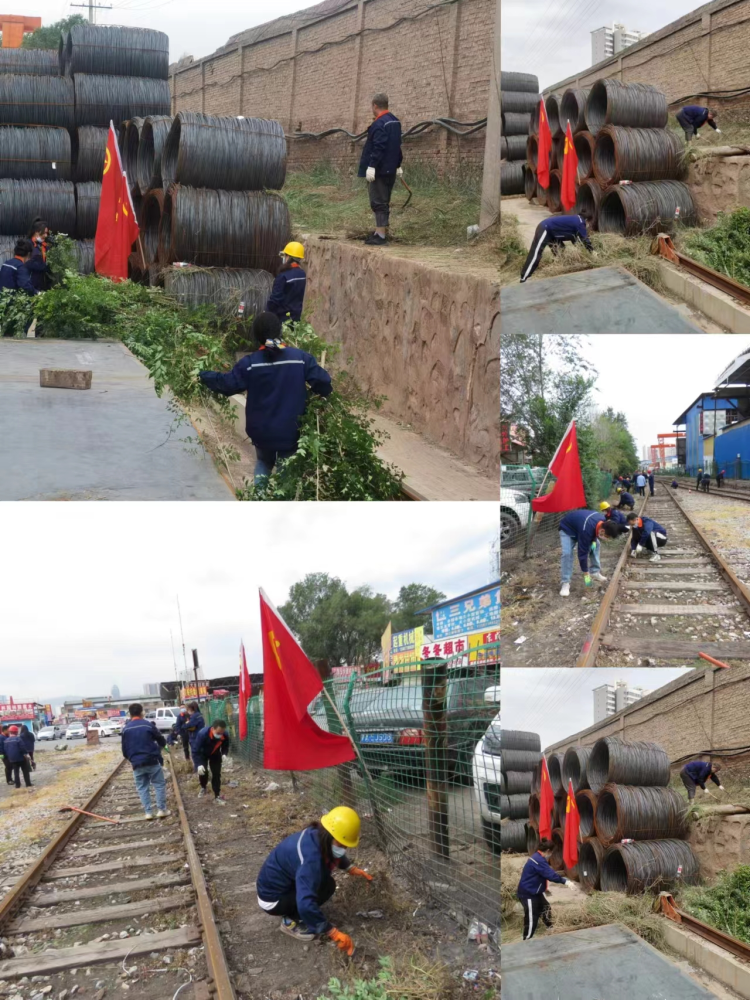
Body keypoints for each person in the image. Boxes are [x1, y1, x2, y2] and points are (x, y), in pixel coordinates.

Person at [199, 312, 332, 484]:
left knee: (263, 462)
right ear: (280, 331)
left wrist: (203, 375)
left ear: (256, 336)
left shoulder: (250, 364)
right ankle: (280, 495)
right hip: (291, 430)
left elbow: (227, 384)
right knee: (286, 468)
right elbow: (323, 382)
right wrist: (317, 395)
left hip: (261, 432)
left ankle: (259, 496)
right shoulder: (300, 359)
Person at [256, 806, 372, 952]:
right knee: (323, 888)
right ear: (330, 836)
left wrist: (350, 868)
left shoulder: (317, 834)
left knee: (327, 884)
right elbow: (305, 903)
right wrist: (332, 932)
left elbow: (333, 851)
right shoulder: (310, 861)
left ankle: (300, 913)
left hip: (280, 886)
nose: (343, 849)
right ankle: (290, 921)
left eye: (346, 846)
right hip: (273, 900)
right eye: (341, 845)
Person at [358, 93, 403, 246]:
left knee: (378, 201)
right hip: (390, 168)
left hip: (380, 170)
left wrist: (371, 166)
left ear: (375, 105)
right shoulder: (395, 121)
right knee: (384, 200)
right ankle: (378, 232)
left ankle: (381, 236)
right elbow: (397, 145)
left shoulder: (379, 123)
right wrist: (398, 164)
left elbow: (379, 147)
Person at [558, 509, 625, 597]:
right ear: (602, 531)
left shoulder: (602, 521)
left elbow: (595, 531)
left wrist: (593, 541)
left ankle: (594, 571)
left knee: (596, 545)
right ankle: (565, 582)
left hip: (580, 528)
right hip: (568, 530)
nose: (607, 539)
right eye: (607, 536)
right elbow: (582, 554)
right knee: (567, 553)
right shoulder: (586, 530)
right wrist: (586, 574)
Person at [517, 838, 573, 941]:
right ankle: (527, 939)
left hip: (536, 892)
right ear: (548, 851)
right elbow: (551, 875)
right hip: (528, 893)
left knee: (545, 908)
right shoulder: (538, 861)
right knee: (532, 917)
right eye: (551, 852)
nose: (551, 855)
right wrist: (565, 882)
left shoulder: (538, 857)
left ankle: (550, 928)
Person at [121, 703, 169, 820]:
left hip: (136, 763)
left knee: (142, 788)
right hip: (152, 760)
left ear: (130, 714)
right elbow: (161, 740)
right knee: (159, 785)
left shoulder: (126, 729)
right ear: (142, 712)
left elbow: (124, 750)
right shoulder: (148, 725)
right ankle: (162, 810)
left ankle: (148, 812)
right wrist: (160, 749)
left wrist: (132, 759)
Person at [520, 215, 593, 283]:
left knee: (560, 249)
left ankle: (559, 271)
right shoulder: (580, 222)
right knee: (536, 252)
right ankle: (524, 277)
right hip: (545, 228)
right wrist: (592, 252)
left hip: (553, 233)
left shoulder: (576, 220)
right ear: (586, 220)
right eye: (589, 224)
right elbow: (585, 240)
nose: (588, 226)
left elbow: (576, 241)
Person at [266, 242, 307, 323]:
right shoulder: (303, 274)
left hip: (283, 320)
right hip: (296, 318)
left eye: (285, 255)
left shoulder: (283, 276)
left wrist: (266, 315)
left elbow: (275, 300)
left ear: (289, 257)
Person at [193, 719, 231, 804]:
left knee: (216, 774)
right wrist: (198, 764)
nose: (220, 735)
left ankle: (217, 795)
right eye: (218, 733)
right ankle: (203, 787)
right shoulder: (202, 734)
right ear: (213, 729)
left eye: (221, 733)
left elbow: (225, 746)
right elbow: (195, 750)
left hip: (215, 754)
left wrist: (224, 754)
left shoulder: (224, 735)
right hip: (202, 754)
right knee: (203, 772)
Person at [0, 238, 38, 303]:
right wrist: (37, 293)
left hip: (2, 299)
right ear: (29, 254)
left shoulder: (6, 263)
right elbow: (25, 285)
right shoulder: (21, 267)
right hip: (11, 302)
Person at [3, 726, 33, 790]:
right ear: (16, 732)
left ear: (10, 732)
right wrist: (26, 754)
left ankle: (17, 785)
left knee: (16, 772)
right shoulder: (18, 739)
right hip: (21, 758)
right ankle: (28, 784)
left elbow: (6, 750)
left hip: (12, 759)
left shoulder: (6, 741)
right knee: (25, 771)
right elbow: (22, 748)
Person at [27, 219, 51, 292]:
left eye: (47, 233)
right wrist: (44, 266)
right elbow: (26, 263)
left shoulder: (44, 246)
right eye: (44, 233)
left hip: (42, 282)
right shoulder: (27, 245)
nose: (46, 235)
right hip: (30, 282)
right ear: (36, 232)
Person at [184, 701, 205, 771]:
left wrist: (185, 725)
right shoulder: (199, 715)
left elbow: (189, 725)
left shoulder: (195, 716)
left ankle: (198, 768)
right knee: (200, 754)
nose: (187, 711)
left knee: (196, 754)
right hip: (199, 736)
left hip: (195, 737)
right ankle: (201, 767)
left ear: (191, 708)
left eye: (188, 709)